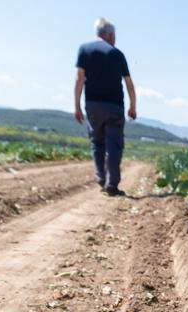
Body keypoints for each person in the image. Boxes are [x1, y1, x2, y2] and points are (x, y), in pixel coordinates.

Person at [74, 17, 137, 196]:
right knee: (114, 145)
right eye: (114, 35)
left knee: (97, 142)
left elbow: (79, 78)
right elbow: (129, 83)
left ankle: (101, 178)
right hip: (114, 106)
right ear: (110, 35)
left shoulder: (84, 50)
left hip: (92, 105)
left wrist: (77, 106)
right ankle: (112, 184)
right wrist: (133, 105)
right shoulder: (117, 54)